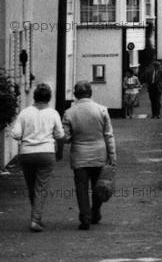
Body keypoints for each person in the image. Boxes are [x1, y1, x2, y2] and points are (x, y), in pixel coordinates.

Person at [62, 81, 117, 230]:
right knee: (97, 186)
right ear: (91, 92)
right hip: (99, 153)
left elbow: (65, 137)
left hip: (79, 155)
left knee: (81, 188)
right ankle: (95, 212)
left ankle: (85, 217)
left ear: (75, 94)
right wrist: (112, 155)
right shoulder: (102, 110)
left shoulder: (69, 113)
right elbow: (109, 135)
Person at [11, 83, 65, 232]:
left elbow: (15, 134)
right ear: (49, 98)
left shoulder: (25, 113)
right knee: (41, 187)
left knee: (31, 187)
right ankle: (35, 219)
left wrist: (27, 136)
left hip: (27, 153)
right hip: (46, 153)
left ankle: (36, 216)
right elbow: (60, 135)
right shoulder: (53, 113)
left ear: (34, 97)